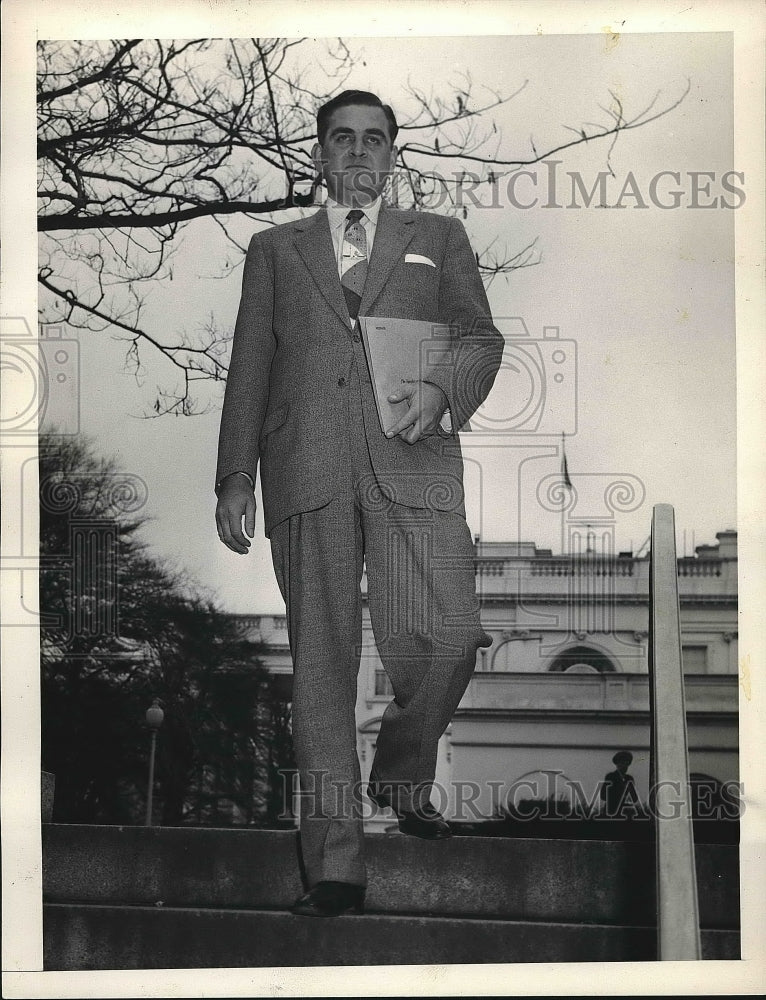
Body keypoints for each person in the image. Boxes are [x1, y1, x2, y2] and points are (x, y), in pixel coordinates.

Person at [215, 90, 504, 917]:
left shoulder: (437, 239)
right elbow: (249, 365)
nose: (357, 154)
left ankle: (404, 771)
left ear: (391, 156)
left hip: (415, 461)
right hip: (304, 468)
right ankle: (334, 865)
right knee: (323, 669)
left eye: (373, 140)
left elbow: (481, 338)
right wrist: (235, 474)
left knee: (451, 633)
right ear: (320, 154)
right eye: (341, 139)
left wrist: (442, 393)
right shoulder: (273, 250)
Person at [599, 750, 641, 818]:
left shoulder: (629, 779)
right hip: (611, 813)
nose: (624, 765)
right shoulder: (610, 776)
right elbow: (603, 795)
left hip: (625, 813)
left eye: (626, 763)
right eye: (621, 762)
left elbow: (634, 798)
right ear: (617, 764)